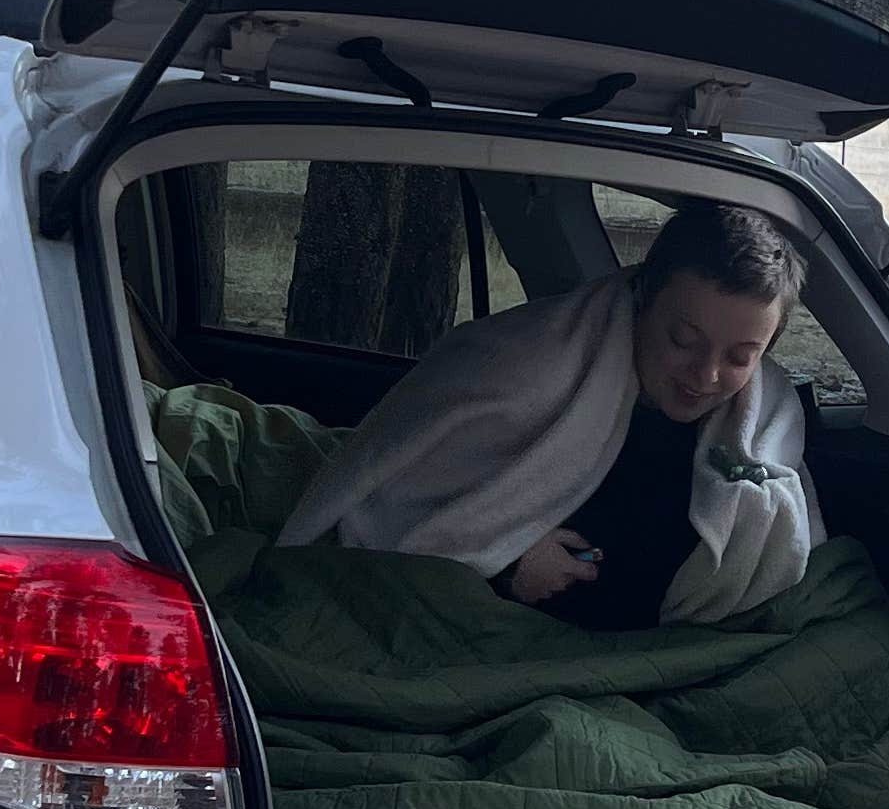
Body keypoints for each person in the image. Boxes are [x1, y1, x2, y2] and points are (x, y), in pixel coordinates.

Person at [277, 198, 817, 627]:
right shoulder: (523, 365)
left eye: (740, 357)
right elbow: (395, 498)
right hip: (493, 631)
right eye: (683, 340)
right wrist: (506, 558)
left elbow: (780, 540)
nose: (706, 376)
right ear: (642, 298)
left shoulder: (765, 413)